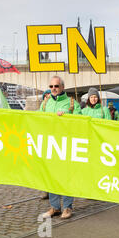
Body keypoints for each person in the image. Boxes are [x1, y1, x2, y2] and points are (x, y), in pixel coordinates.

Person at [40, 76, 82, 220]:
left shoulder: (72, 103)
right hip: (50, 144)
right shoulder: (45, 104)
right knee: (52, 177)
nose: (53, 89)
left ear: (62, 87)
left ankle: (67, 207)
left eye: (56, 86)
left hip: (66, 145)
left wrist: (67, 118)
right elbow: (38, 121)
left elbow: (79, 123)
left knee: (66, 177)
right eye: (51, 86)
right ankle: (55, 207)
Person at [39, 88, 52, 200]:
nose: (47, 98)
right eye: (46, 96)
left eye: (49, 96)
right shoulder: (41, 108)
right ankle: (45, 189)